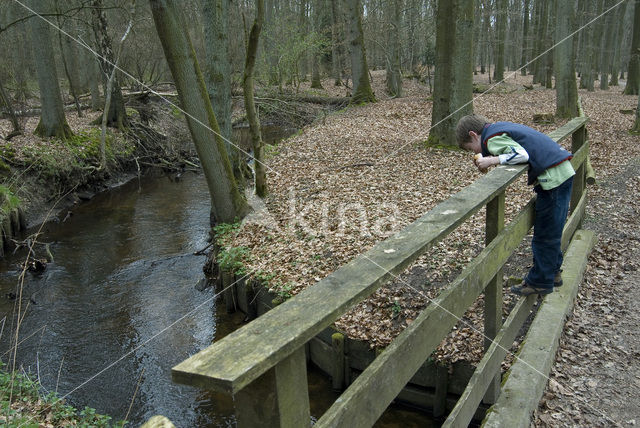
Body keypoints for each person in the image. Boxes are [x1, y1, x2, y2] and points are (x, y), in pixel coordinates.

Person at [455, 114, 575, 296]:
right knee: (553, 229)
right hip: (561, 172)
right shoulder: (498, 128)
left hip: (554, 180)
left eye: (470, 148)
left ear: (473, 135)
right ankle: (554, 273)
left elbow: (521, 154)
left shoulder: (491, 139)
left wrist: (493, 160)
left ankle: (540, 281)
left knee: (545, 235)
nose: (474, 152)